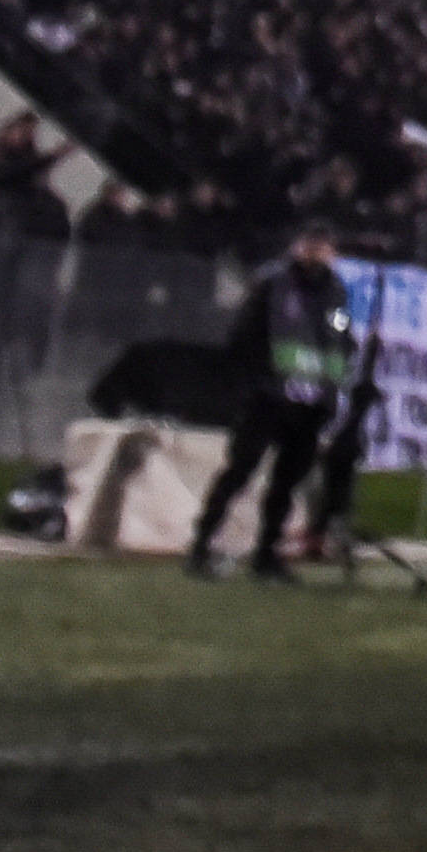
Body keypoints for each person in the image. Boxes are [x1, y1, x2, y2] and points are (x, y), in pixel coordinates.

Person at [187, 219, 356, 584]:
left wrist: (331, 387)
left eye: (324, 246)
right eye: (312, 244)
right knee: (240, 471)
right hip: (268, 398)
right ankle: (200, 545)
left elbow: (341, 338)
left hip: (310, 405)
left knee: (286, 484)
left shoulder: (336, 292)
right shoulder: (273, 283)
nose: (318, 253)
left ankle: (267, 554)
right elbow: (242, 337)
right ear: (298, 246)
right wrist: (257, 381)